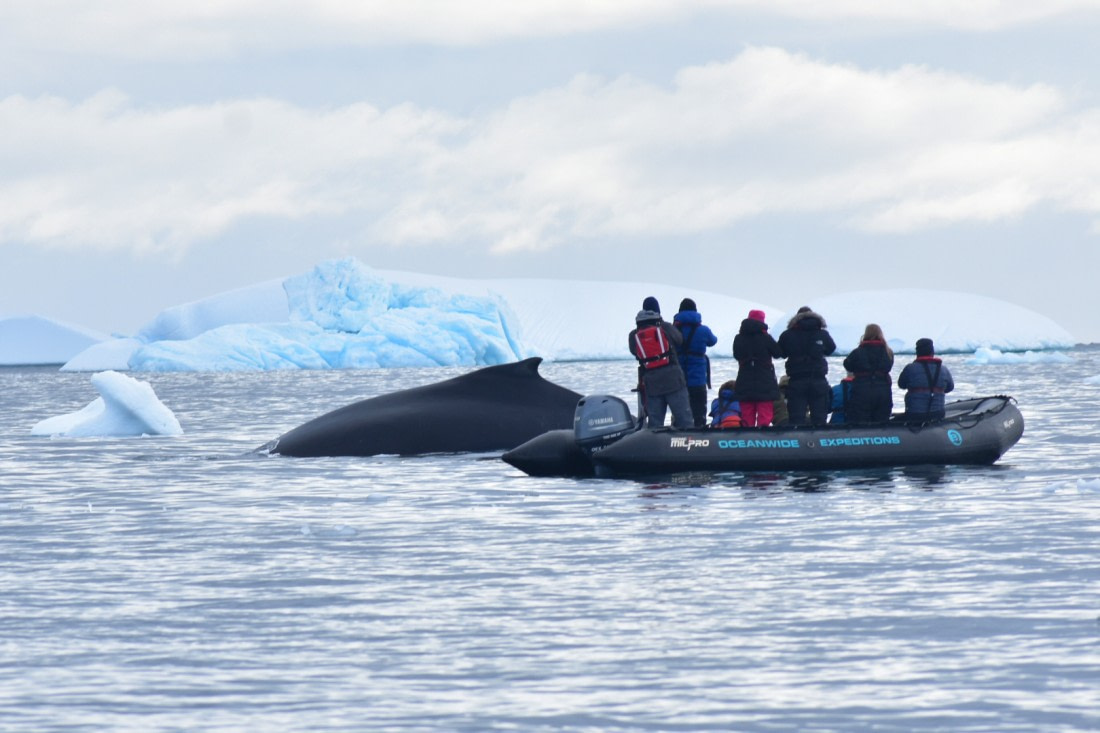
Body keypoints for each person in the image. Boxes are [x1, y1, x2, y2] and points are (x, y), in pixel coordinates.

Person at [628, 308, 693, 429]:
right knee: (685, 420)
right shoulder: (665, 327)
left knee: (655, 424)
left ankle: (655, 447)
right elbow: (680, 340)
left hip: (652, 383)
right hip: (674, 380)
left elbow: (635, 352)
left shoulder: (634, 335)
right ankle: (688, 445)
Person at [777, 306, 837, 426]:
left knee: (796, 418)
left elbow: (781, 353)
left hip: (797, 380)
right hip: (818, 378)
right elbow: (831, 349)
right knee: (819, 418)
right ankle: (820, 441)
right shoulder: (822, 333)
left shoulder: (788, 335)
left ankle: (798, 441)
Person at [732, 309, 782, 427]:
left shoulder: (739, 338)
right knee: (764, 413)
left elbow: (737, 355)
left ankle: (746, 439)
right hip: (765, 380)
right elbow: (778, 353)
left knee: (746, 414)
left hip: (744, 379)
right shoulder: (766, 337)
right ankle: (762, 439)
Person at [673, 298, 719, 427]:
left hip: (679, 379)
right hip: (698, 378)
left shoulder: (673, 330)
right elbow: (713, 341)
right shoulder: (703, 330)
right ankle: (701, 437)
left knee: (681, 413)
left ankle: (677, 440)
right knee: (699, 412)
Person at [842, 324, 895, 423]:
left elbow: (847, 365)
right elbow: (889, 367)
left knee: (861, 420)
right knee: (881, 420)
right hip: (883, 391)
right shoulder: (888, 352)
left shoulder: (857, 352)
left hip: (862, 391)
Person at [897, 338, 955, 421]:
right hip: (938, 414)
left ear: (917, 352)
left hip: (915, 414)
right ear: (932, 352)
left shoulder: (910, 368)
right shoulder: (944, 370)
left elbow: (901, 385)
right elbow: (950, 387)